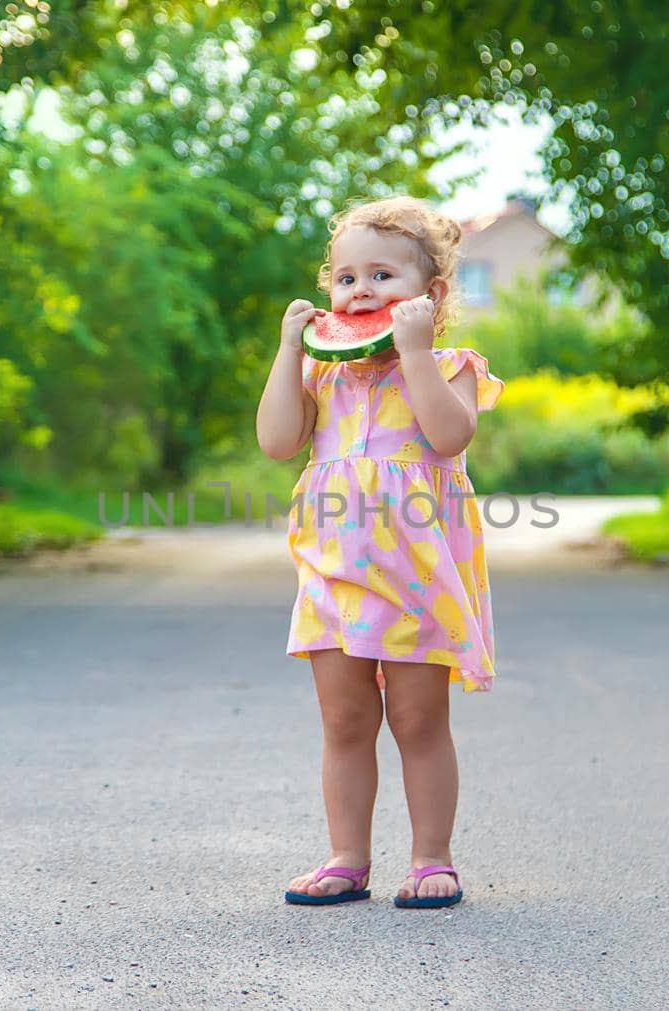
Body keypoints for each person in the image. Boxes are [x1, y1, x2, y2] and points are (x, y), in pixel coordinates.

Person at [255, 196, 505, 909]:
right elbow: (277, 441)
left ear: (431, 295)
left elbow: (448, 435)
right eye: (345, 278)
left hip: (418, 574)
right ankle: (347, 855)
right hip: (336, 570)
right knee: (344, 719)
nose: (359, 291)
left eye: (381, 276)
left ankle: (432, 857)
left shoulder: (452, 363)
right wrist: (288, 351)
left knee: (418, 720)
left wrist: (416, 353)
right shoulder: (324, 372)